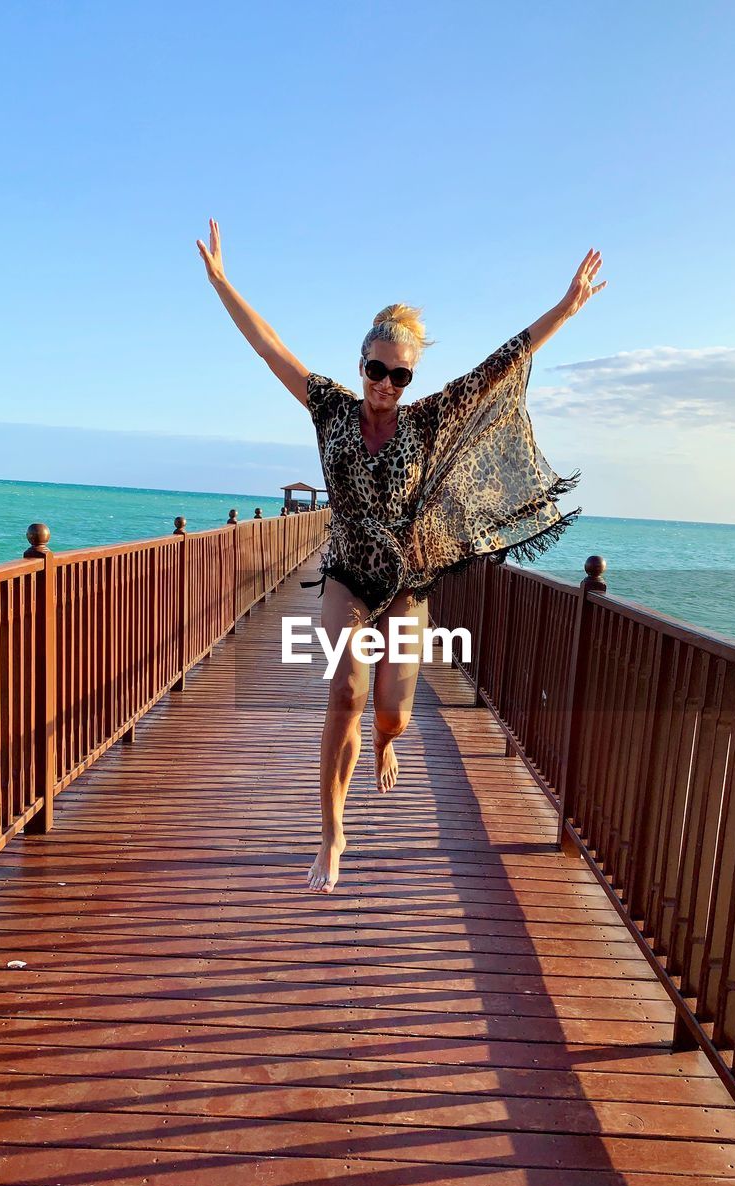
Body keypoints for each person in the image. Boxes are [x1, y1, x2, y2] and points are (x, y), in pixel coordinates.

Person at [196, 218, 606, 892]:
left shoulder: (426, 421)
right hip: (349, 577)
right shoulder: (329, 407)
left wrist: (564, 308)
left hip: (410, 581)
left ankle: (387, 743)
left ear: (412, 377)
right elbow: (271, 348)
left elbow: (499, 366)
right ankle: (332, 834)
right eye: (377, 369)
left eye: (400, 374)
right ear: (361, 365)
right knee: (346, 692)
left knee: (393, 712)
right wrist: (223, 282)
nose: (387, 383)